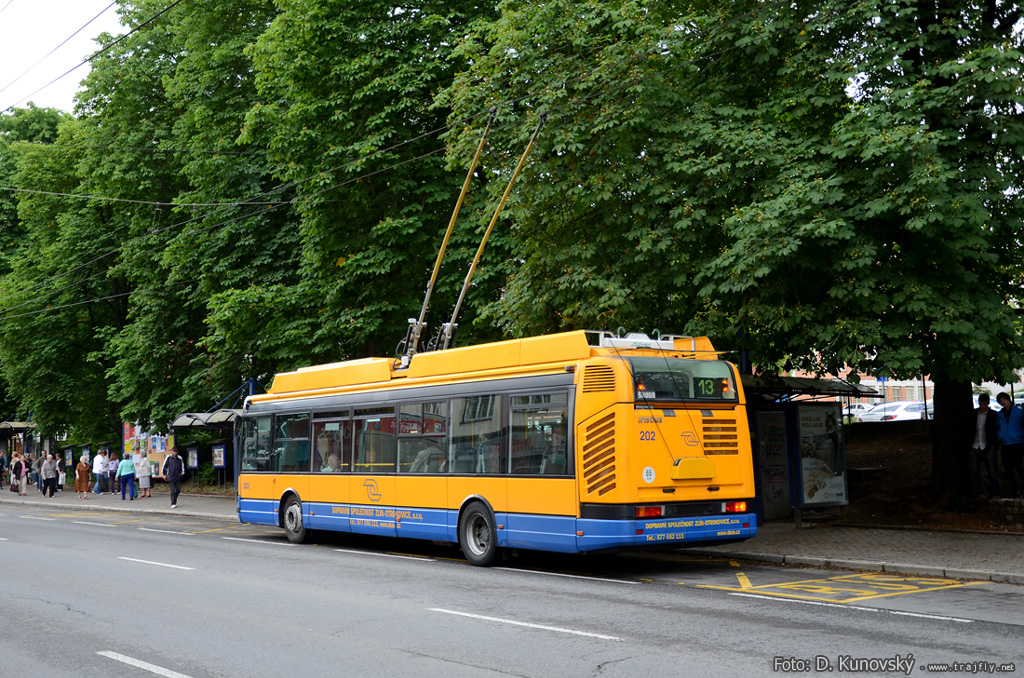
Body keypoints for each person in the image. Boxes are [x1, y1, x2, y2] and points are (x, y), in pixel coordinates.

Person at [966, 394, 1001, 498]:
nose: (983, 404)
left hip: (988, 446)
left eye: (985, 402)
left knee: (992, 472)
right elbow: (968, 430)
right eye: (982, 402)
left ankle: (995, 492)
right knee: (974, 471)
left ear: (988, 403)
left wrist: (994, 445)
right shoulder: (973, 414)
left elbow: (997, 431)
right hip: (975, 445)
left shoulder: (994, 415)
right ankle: (981, 492)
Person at [996, 392, 1024, 498]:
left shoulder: (1018, 410)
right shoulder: (1000, 414)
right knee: (1008, 468)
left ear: (1008, 399)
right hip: (1005, 443)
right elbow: (998, 426)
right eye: (1000, 401)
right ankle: (1014, 490)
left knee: (1017, 465)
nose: (1003, 402)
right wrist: (1000, 435)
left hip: (1017, 442)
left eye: (1004, 399)